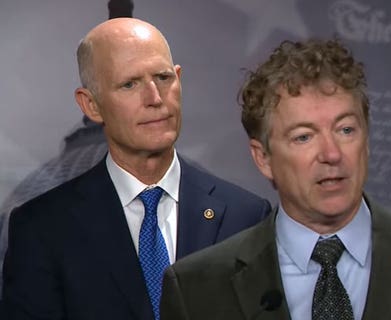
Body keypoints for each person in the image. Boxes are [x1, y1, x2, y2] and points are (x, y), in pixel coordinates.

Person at [160, 39, 391, 319]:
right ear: (263, 158)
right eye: (304, 137)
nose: (332, 153)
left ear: (366, 139)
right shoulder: (198, 290)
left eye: (346, 130)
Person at [2, 18, 271, 320]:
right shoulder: (41, 230)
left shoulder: (247, 216)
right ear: (91, 105)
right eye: (129, 84)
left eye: (163, 78)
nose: (155, 98)